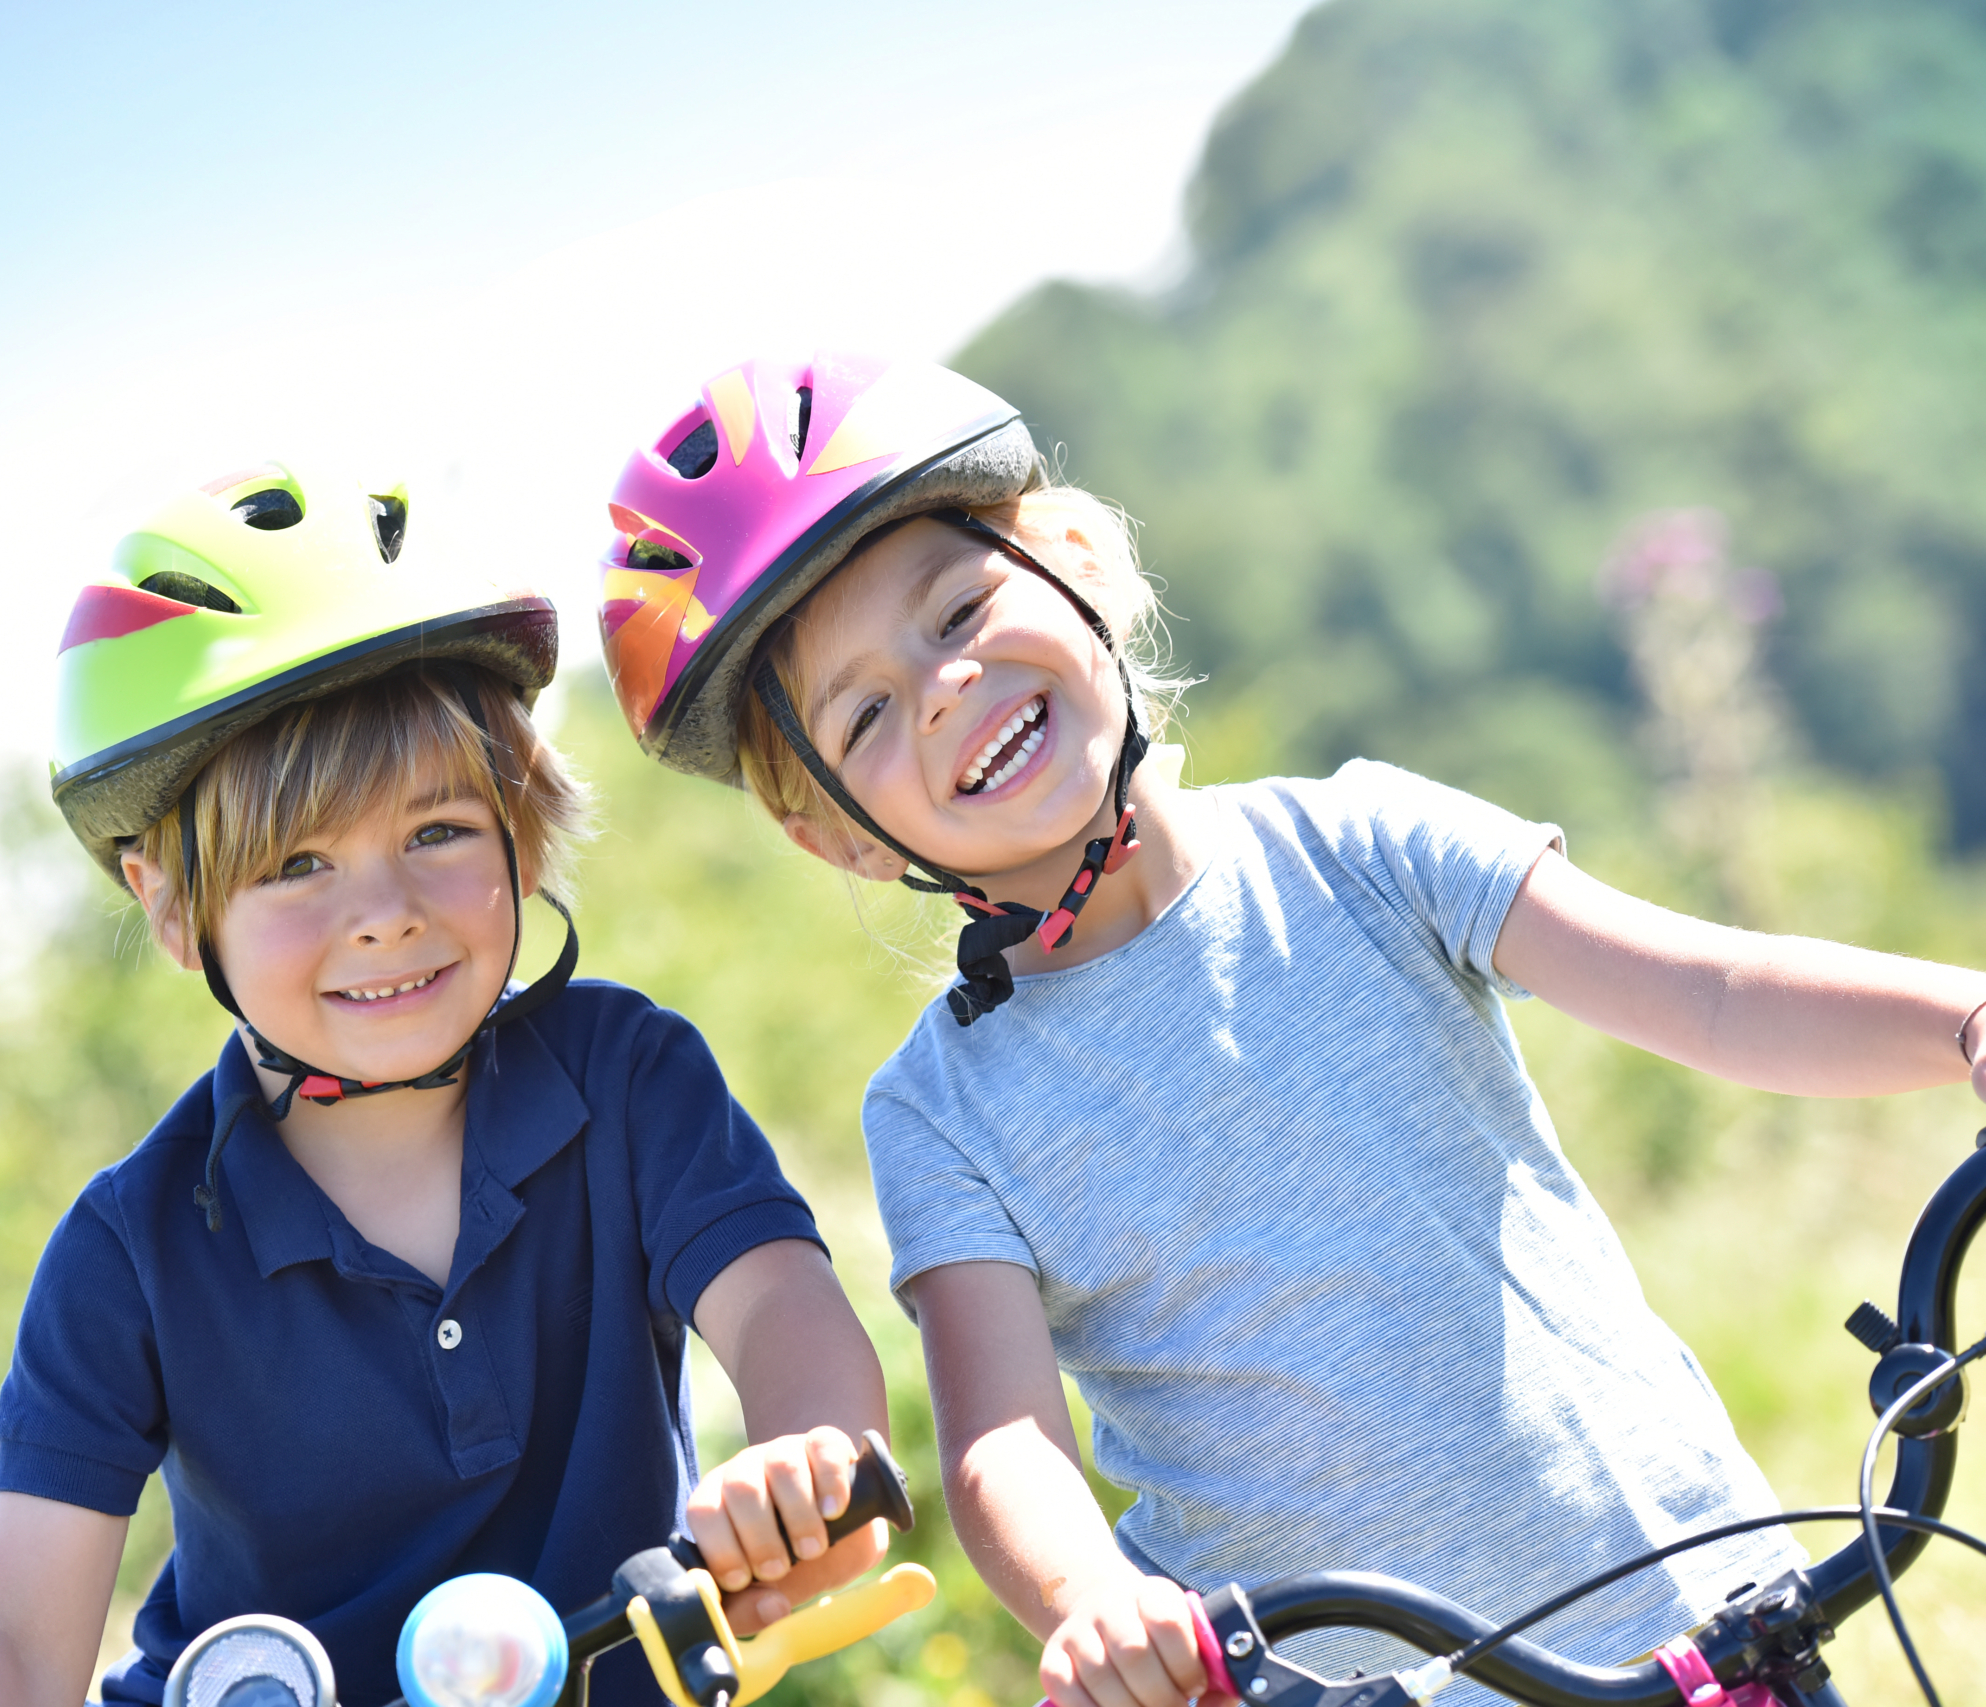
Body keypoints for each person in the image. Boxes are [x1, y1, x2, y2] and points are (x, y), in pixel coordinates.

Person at [591, 353, 1986, 1704]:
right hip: (1334, 1683)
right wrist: (1095, 1605)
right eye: (871, 710)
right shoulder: (945, 1109)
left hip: (1697, 1614)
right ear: (832, 828)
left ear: (1076, 555)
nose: (946, 684)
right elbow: (1002, 1440)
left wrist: (1966, 1020)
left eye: (957, 611)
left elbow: (1713, 990)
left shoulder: (1361, 841)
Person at [0, 461, 890, 1707]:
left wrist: (802, 1460)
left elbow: (779, 1313)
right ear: (172, 909)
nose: (382, 917)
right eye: (298, 863)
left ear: (521, 831)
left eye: (437, 834)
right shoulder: (135, 1249)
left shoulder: (630, 1083)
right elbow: (10, 1641)